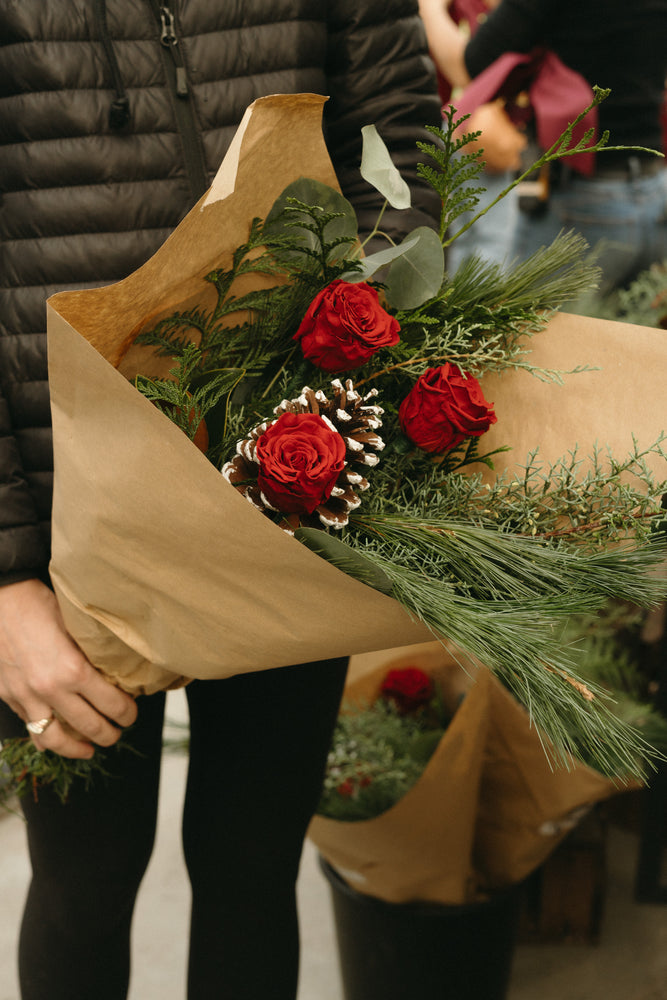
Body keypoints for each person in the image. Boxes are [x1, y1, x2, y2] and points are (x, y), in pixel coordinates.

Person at [0, 4, 441, 999]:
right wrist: (4, 578)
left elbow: (400, 135)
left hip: (288, 477)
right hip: (66, 500)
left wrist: (363, 324)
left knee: (252, 864)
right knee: (84, 876)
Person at [417, 0, 667, 296]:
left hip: (582, 204)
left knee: (527, 334)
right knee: (632, 338)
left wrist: (429, 9)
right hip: (654, 194)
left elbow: (472, 68)